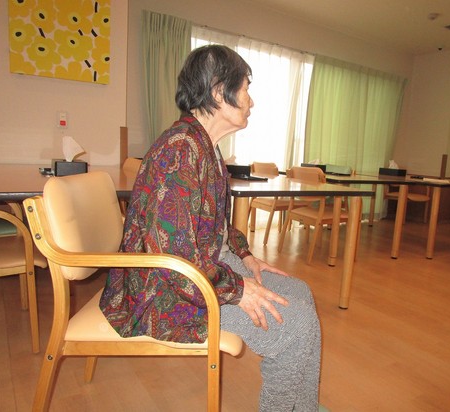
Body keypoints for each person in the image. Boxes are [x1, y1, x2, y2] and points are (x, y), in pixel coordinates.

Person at [99, 45, 322, 411]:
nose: (251, 101)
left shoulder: (204, 146)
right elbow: (172, 258)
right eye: (246, 88)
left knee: (300, 292)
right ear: (219, 92)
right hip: (164, 292)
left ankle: (302, 405)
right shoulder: (179, 151)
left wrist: (246, 256)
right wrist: (237, 290)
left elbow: (212, 223)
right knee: (295, 326)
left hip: (201, 270)